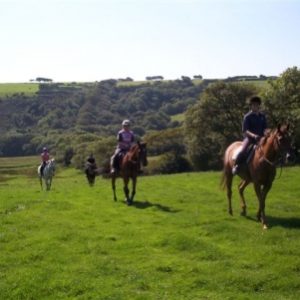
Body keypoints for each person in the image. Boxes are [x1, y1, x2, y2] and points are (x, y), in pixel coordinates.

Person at [232, 96, 267, 175]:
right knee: (243, 150)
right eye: (253, 105)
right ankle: (236, 166)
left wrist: (267, 132)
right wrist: (254, 136)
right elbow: (245, 130)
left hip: (261, 138)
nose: (255, 106)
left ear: (259, 105)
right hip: (250, 139)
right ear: (251, 106)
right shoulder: (247, 117)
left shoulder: (262, 116)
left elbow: (265, 128)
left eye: (257, 105)